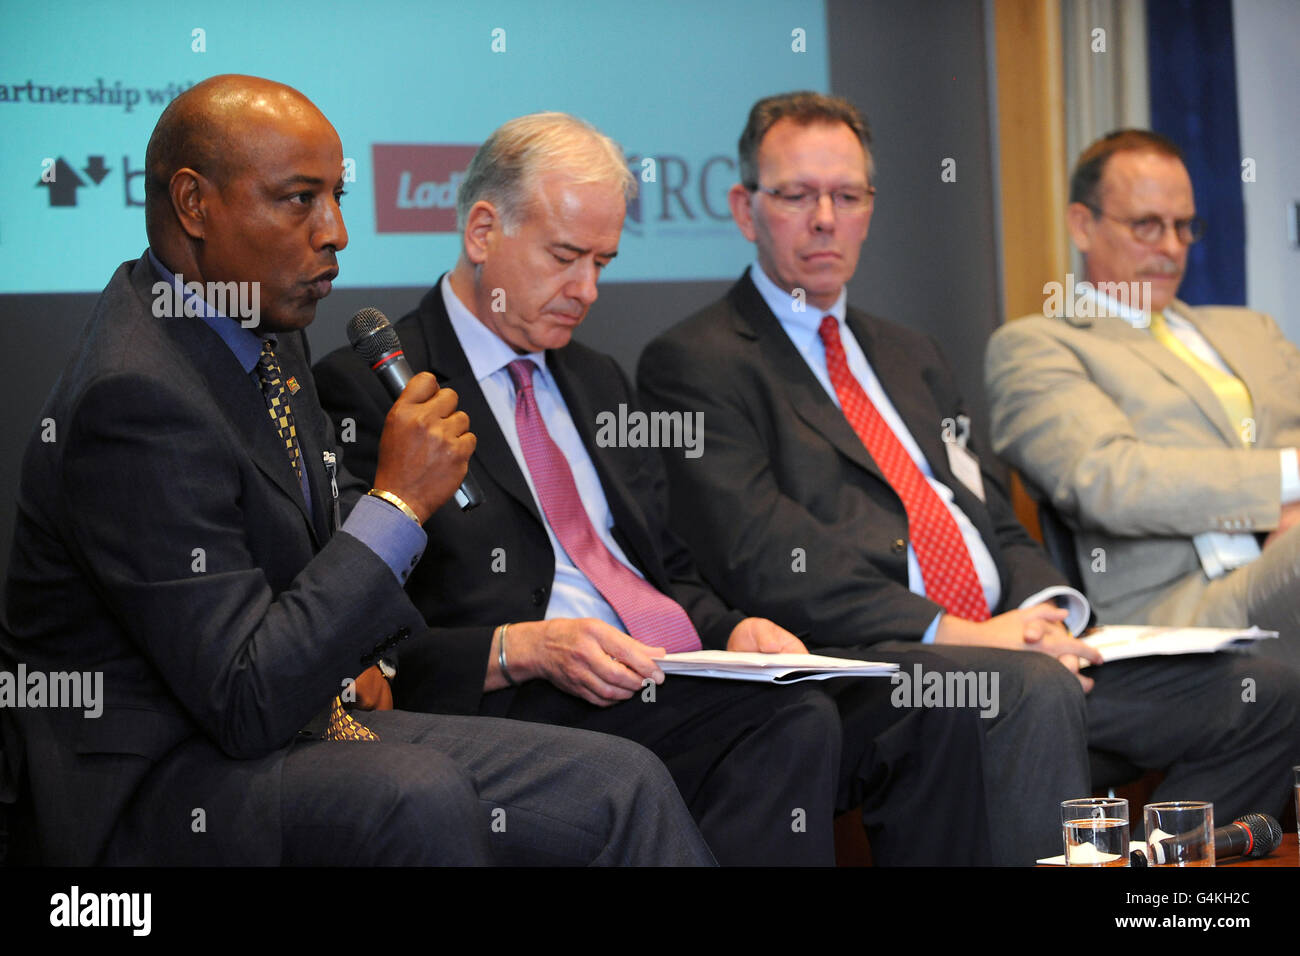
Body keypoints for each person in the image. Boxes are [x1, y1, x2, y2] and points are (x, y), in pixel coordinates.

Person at [0, 74, 715, 866]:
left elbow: (310, 558)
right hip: (160, 779)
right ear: (194, 204)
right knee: (416, 794)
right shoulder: (132, 395)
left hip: (300, 722)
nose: (336, 231)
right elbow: (243, 698)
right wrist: (400, 501)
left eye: (337, 197)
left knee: (624, 782)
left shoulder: (265, 327)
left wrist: (372, 655)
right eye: (299, 200)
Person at [314, 111, 995, 865]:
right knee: (789, 723)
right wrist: (522, 647)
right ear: (482, 231)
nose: (588, 289)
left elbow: (662, 570)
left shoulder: (597, 378)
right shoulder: (376, 386)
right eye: (566, 256)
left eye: (602, 262)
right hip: (529, 698)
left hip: (669, 669)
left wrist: (734, 629)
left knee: (932, 699)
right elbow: (375, 638)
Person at [637, 92, 1300, 859]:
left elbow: (996, 522)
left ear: (869, 207)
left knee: (1266, 697)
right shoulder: (699, 361)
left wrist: (1043, 612)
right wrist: (960, 631)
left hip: (1006, 642)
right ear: (746, 209)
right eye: (797, 195)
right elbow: (762, 554)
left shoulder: (909, 353)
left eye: (848, 196)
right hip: (868, 662)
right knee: (1028, 690)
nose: (826, 218)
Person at [986, 129, 1300, 675]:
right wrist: (1285, 483)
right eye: (1147, 226)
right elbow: (1111, 479)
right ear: (1082, 225)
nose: (1172, 248)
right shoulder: (1039, 345)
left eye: (1184, 227)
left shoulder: (1253, 330)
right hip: (1187, 606)